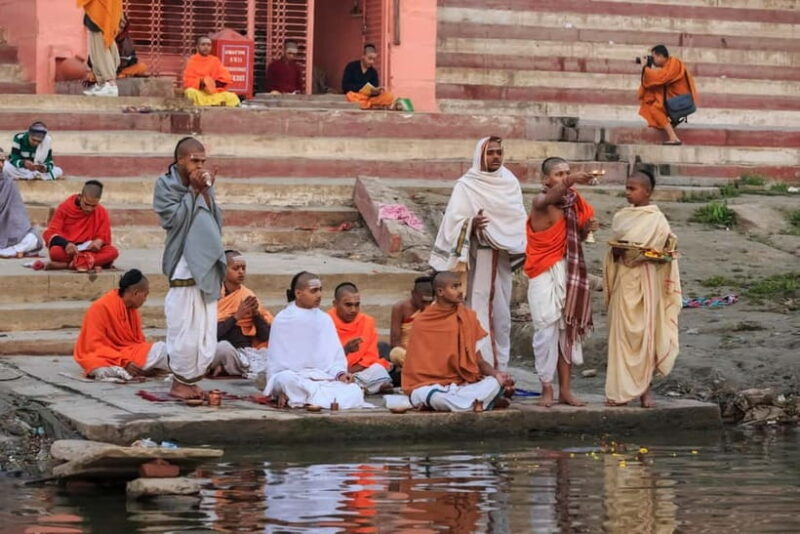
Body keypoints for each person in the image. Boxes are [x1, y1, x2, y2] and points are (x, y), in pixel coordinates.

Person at [430, 136, 527, 372]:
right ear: (480, 155)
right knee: (478, 310)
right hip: (477, 258)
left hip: (502, 258)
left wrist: (505, 234)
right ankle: (478, 366)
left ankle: (500, 368)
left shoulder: (510, 181)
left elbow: (516, 216)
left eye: (499, 152)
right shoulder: (466, 185)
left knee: (501, 316)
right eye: (491, 152)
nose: (496, 157)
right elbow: (453, 221)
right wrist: (471, 224)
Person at [153, 137, 227, 399]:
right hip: (182, 265)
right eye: (194, 160)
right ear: (180, 160)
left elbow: (215, 218)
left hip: (206, 267)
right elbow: (172, 220)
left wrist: (205, 191)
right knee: (184, 330)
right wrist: (193, 193)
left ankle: (192, 381)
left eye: (203, 161)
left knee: (204, 331)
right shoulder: (164, 185)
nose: (199, 166)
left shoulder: (205, 183)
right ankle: (178, 384)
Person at [524, 157, 598, 407]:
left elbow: (575, 238)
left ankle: (565, 390)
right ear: (546, 180)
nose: (564, 177)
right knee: (546, 330)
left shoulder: (572, 205)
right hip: (543, 272)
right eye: (558, 174)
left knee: (567, 330)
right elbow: (546, 199)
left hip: (567, 271)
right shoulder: (540, 202)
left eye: (566, 173)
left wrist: (586, 229)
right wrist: (572, 179)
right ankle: (547, 388)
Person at [604, 171, 681, 408]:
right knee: (621, 337)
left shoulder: (657, 220)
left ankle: (646, 391)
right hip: (624, 283)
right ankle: (619, 392)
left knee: (645, 336)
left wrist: (650, 255)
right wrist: (617, 253)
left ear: (647, 192)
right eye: (627, 188)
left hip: (647, 283)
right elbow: (614, 252)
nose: (628, 193)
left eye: (633, 189)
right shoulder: (621, 217)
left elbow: (666, 255)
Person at [401, 271, 514, 412]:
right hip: (429, 385)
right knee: (431, 396)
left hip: (461, 385)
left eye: (460, 286)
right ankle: (478, 403)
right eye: (454, 287)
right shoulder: (422, 322)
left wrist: (496, 374)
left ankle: (468, 403)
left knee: (493, 383)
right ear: (440, 291)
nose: (460, 291)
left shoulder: (467, 318)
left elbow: (479, 362)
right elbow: (413, 366)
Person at [264, 272, 370, 410]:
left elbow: (334, 359)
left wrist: (341, 374)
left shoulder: (324, 319)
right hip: (294, 378)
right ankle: (294, 395)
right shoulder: (283, 319)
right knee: (285, 380)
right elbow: (276, 366)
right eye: (314, 291)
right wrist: (279, 388)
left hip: (323, 379)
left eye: (320, 290)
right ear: (298, 293)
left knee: (354, 390)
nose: (319, 295)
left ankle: (299, 398)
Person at [73, 269, 169, 380]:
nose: (145, 300)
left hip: (130, 353)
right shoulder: (100, 307)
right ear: (135, 293)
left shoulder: (132, 310)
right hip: (110, 356)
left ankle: (135, 368)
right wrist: (123, 362)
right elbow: (93, 347)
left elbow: (137, 341)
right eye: (145, 295)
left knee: (167, 350)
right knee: (162, 351)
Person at [214, 249, 273, 377]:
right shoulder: (214, 297)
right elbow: (210, 334)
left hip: (244, 353)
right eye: (236, 268)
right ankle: (227, 367)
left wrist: (256, 315)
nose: (241, 272)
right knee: (223, 348)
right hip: (219, 349)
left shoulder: (248, 295)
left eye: (243, 268)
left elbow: (265, 336)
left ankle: (226, 368)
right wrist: (236, 317)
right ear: (223, 270)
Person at [328, 282, 393, 394]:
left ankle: (356, 384)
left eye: (357, 304)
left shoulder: (367, 321)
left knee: (379, 368)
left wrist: (350, 374)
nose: (353, 310)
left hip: (359, 372)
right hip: (335, 371)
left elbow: (370, 358)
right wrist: (346, 350)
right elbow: (326, 360)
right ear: (335, 304)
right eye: (348, 305)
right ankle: (365, 386)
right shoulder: (325, 321)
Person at [39, 180, 118, 272]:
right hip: (70, 250)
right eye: (87, 204)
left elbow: (103, 236)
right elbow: (50, 233)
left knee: (113, 252)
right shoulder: (64, 208)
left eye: (93, 206)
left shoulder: (101, 211)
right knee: (55, 252)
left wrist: (98, 242)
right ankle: (89, 263)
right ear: (80, 197)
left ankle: (69, 265)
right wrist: (66, 244)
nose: (89, 209)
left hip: (89, 251)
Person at [637, 45, 698, 146]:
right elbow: (659, 80)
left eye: (654, 57)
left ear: (660, 56)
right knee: (655, 105)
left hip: (680, 101)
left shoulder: (674, 64)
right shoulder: (669, 66)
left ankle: (673, 138)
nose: (653, 60)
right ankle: (670, 124)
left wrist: (645, 68)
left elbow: (659, 78)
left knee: (655, 109)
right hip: (675, 99)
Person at [0, 149, 43, 258]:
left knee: (33, 238)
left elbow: (18, 217)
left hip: (6, 233)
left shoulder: (9, 183)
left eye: (3, 161)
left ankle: (14, 249)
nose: (1, 165)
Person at [388, 276, 434, 368]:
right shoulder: (400, 308)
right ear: (413, 294)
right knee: (395, 353)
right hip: (406, 355)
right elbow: (395, 341)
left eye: (429, 302)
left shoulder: (434, 308)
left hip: (428, 354)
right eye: (423, 302)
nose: (427, 306)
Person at [183, 36, 241, 107]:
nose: (206, 47)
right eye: (203, 45)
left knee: (232, 97)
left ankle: (211, 103)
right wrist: (202, 83)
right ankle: (213, 104)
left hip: (214, 93)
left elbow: (226, 78)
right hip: (200, 93)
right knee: (190, 92)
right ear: (197, 47)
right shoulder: (192, 61)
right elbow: (187, 82)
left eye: (208, 45)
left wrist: (212, 84)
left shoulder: (215, 60)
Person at [79, 0, 121, 97]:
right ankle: (102, 83)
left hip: (101, 14)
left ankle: (110, 84)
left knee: (102, 48)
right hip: (97, 13)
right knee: (95, 50)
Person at [342, 44, 395, 110]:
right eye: (370, 58)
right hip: (356, 96)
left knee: (389, 96)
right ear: (363, 56)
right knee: (350, 95)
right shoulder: (351, 67)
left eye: (374, 59)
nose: (372, 62)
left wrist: (376, 91)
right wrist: (362, 87)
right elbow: (345, 86)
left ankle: (367, 105)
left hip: (368, 98)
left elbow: (374, 89)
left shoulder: (373, 72)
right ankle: (371, 105)